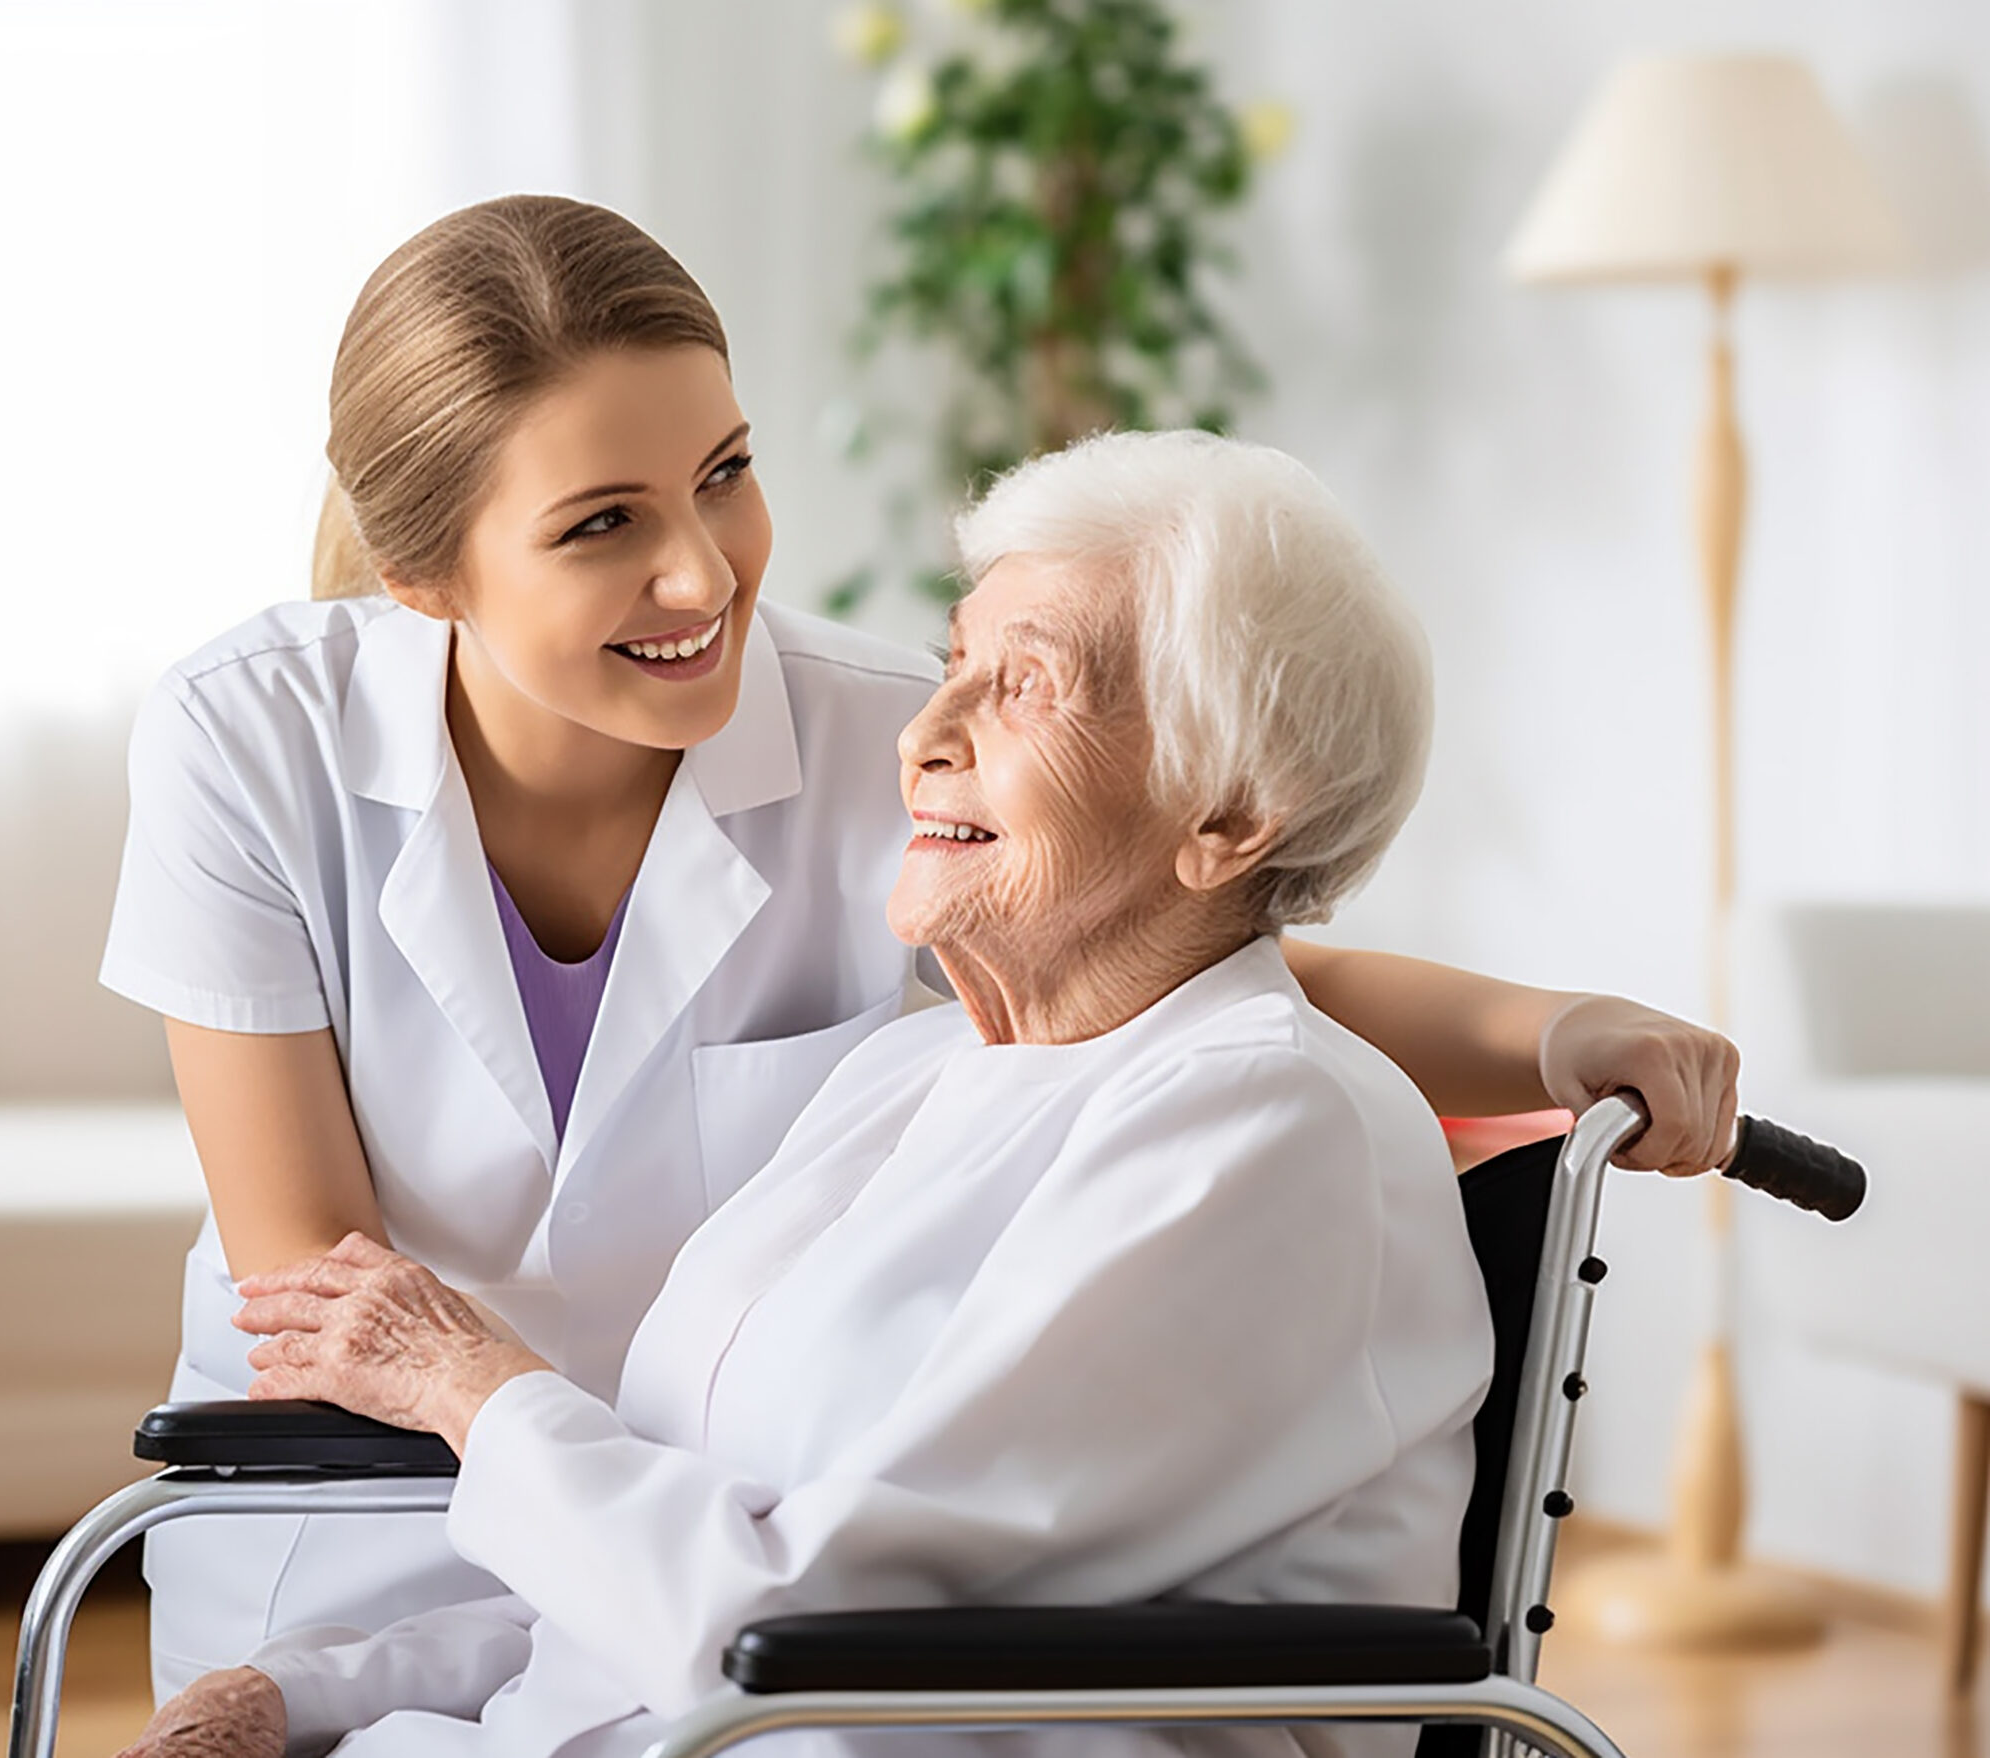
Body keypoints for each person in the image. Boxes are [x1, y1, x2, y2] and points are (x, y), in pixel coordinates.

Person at [97, 195, 1739, 1704]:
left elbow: (1195, 962)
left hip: (696, 1546)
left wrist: (1553, 1029)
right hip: (398, 1523)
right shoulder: (254, 740)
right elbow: (330, 1302)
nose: (705, 572)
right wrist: (376, 1637)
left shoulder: (898, 742)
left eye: (727, 474)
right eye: (603, 520)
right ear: (421, 579)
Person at [112, 428, 1498, 1758]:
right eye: (954, 662)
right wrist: (298, 1691)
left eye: (1022, 686)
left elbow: (784, 1621)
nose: (922, 734)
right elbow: (646, 1569)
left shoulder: (1268, 1132)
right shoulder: (912, 1072)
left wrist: (476, 1385)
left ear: (1229, 818)